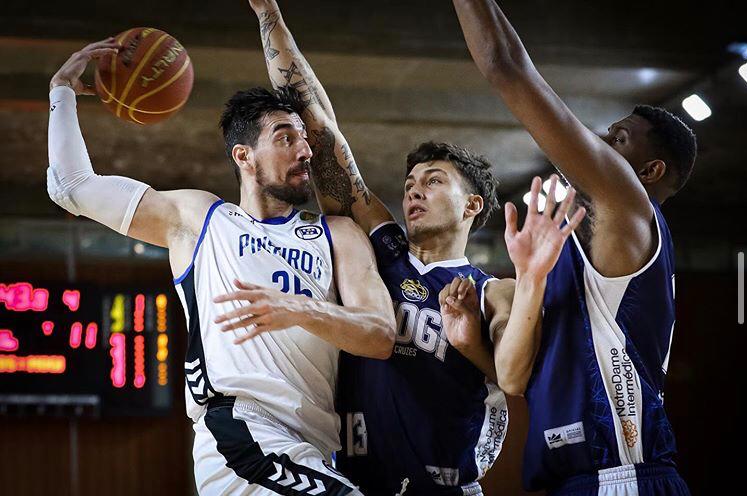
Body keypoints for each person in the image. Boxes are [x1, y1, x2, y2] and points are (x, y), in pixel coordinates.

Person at [246, 2, 585, 495]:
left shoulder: (491, 292)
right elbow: (319, 129)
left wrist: (478, 332)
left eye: (432, 180)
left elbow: (516, 378)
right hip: (353, 483)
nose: (412, 191)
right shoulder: (378, 247)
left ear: (471, 204)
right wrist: (268, 13)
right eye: (409, 183)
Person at [46, 38, 397, 495]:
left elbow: (381, 336)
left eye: (305, 140)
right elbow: (71, 186)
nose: (305, 151)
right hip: (240, 437)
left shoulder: (339, 235)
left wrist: (297, 309)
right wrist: (61, 92)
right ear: (243, 156)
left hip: (314, 447)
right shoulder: (199, 218)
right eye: (285, 138)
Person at [452, 1, 698, 494]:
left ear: (648, 173)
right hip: (579, 479)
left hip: (619, 476)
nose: (602, 143)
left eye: (619, 139)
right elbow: (516, 379)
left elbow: (506, 67)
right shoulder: (576, 248)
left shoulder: (627, 204)